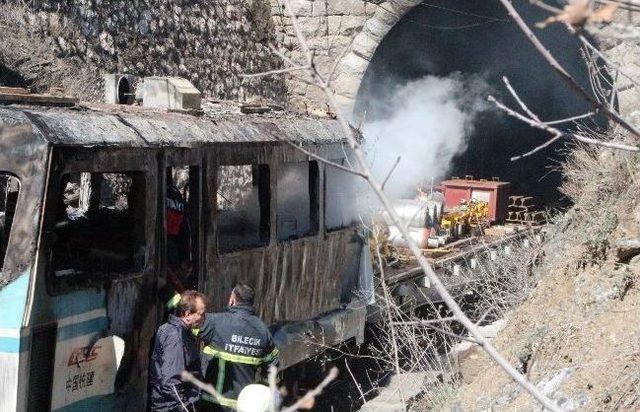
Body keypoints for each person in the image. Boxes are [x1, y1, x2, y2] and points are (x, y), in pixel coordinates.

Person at [196, 283, 279, 411]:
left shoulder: (215, 323)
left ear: (232, 299)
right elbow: (272, 368)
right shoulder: (263, 331)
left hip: (213, 403)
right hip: (244, 405)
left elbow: (187, 323)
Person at [150, 290, 207, 411]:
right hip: (172, 408)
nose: (204, 318)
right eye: (201, 314)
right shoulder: (176, 337)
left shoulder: (172, 330)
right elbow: (171, 381)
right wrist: (186, 408)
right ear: (187, 314)